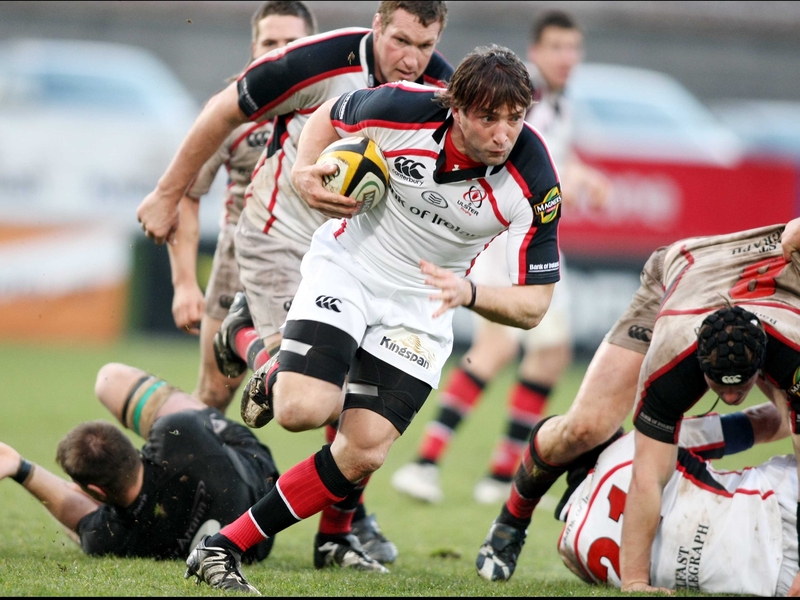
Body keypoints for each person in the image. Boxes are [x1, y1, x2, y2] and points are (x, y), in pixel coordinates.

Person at [180, 44, 562, 594]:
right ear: (456, 108)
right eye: (488, 118)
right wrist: (306, 172)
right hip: (350, 270)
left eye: (515, 118)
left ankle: (223, 548)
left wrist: (470, 291)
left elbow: (535, 304)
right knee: (300, 410)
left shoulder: (535, 176)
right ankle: (260, 346)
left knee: (363, 450)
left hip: (424, 305)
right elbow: (325, 116)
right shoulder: (402, 106)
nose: (504, 134)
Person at [139, 1, 452, 570]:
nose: (412, 60)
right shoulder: (321, 60)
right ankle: (244, 340)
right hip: (279, 237)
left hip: (359, 259)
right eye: (401, 41)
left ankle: (337, 537)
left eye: (425, 46)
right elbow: (222, 109)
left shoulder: (440, 92)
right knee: (306, 397)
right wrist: (166, 193)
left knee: (363, 403)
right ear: (377, 25)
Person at [474, 221, 800, 591]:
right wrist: (635, 582)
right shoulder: (670, 361)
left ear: (762, 365)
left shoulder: (791, 353)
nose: (729, 399)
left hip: (765, 308)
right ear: (699, 367)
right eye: (719, 388)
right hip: (683, 274)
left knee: (788, 419)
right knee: (585, 428)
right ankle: (512, 518)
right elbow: (648, 478)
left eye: (740, 388)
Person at [391, 8, 609, 506]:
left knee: (548, 355)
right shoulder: (515, 99)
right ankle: (427, 463)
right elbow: (520, 163)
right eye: (556, 47)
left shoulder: (558, 103)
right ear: (536, 52)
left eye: (573, 47)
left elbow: (555, 157)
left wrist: (582, 174)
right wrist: (572, 180)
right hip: (500, 236)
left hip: (527, 237)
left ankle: (495, 471)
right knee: (498, 348)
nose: (567, 57)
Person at [166, 1, 316, 412]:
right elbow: (186, 194)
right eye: (270, 42)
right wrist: (184, 283)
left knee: (336, 386)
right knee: (215, 393)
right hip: (241, 254)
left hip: (319, 255)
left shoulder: (338, 102)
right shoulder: (229, 109)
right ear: (254, 47)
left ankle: (246, 342)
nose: (280, 53)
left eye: (292, 42)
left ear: (315, 46)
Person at [0, 362, 279, 563]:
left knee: (87, 528)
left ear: (96, 492)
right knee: (110, 379)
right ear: (133, 447)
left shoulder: (110, 539)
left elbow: (78, 518)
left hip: (254, 550)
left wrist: (20, 468)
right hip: (264, 490)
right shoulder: (175, 431)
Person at [557, 403, 798, 596]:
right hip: (779, 502)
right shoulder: (632, 446)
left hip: (769, 579)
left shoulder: (573, 550)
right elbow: (751, 426)